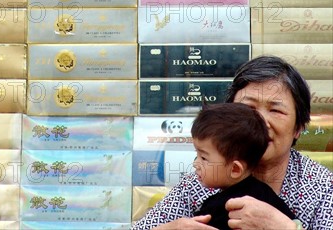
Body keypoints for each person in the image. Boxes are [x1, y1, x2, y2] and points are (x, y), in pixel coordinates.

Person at [131, 55, 333, 230]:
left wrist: (287, 227)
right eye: (248, 108)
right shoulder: (201, 181)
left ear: (298, 127)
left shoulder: (322, 186)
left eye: (276, 110)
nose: (261, 121)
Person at [190, 103, 295, 228]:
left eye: (204, 158)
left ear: (235, 169)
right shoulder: (267, 195)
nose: (195, 164)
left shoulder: (215, 209)